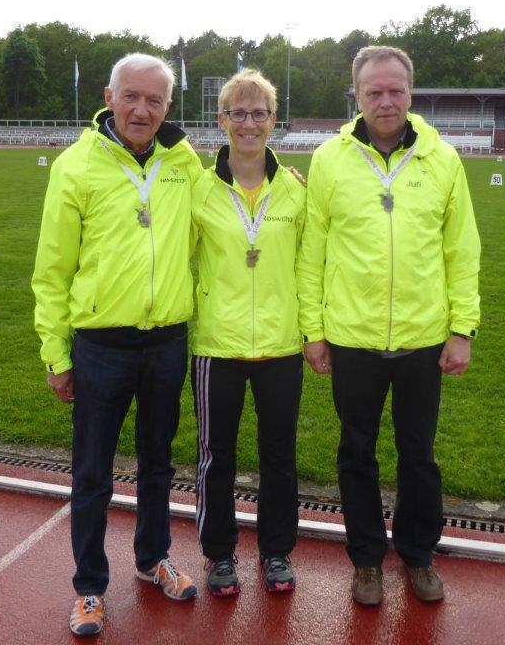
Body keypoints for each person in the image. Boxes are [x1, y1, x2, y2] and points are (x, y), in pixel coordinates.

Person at [296, 46, 481, 606]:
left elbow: (461, 249)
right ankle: (366, 560)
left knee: (418, 454)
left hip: (424, 339)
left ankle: (419, 554)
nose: (385, 101)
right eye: (374, 91)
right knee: (356, 452)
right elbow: (312, 250)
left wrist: (461, 329)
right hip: (352, 337)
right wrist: (313, 330)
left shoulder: (442, 159)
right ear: (356, 95)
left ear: (410, 93)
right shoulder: (330, 160)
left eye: (395, 90)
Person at [32, 53, 203, 636]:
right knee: (93, 473)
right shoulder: (75, 165)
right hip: (101, 346)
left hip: (167, 342)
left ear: (168, 106)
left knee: (158, 463)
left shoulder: (183, 161)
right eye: (131, 96)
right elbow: (52, 270)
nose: (142, 109)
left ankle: (153, 558)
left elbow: (226, 207)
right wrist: (56, 354)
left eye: (154, 100)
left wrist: (282, 185)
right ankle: (89, 587)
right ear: (109, 97)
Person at [190, 69, 306, 596]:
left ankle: (276, 551)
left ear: (273, 120)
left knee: (279, 456)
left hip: (281, 345)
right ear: (222, 119)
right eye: (238, 113)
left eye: (259, 113)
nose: (249, 123)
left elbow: (309, 265)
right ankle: (219, 555)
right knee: (217, 457)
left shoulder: (296, 189)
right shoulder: (199, 188)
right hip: (218, 345)